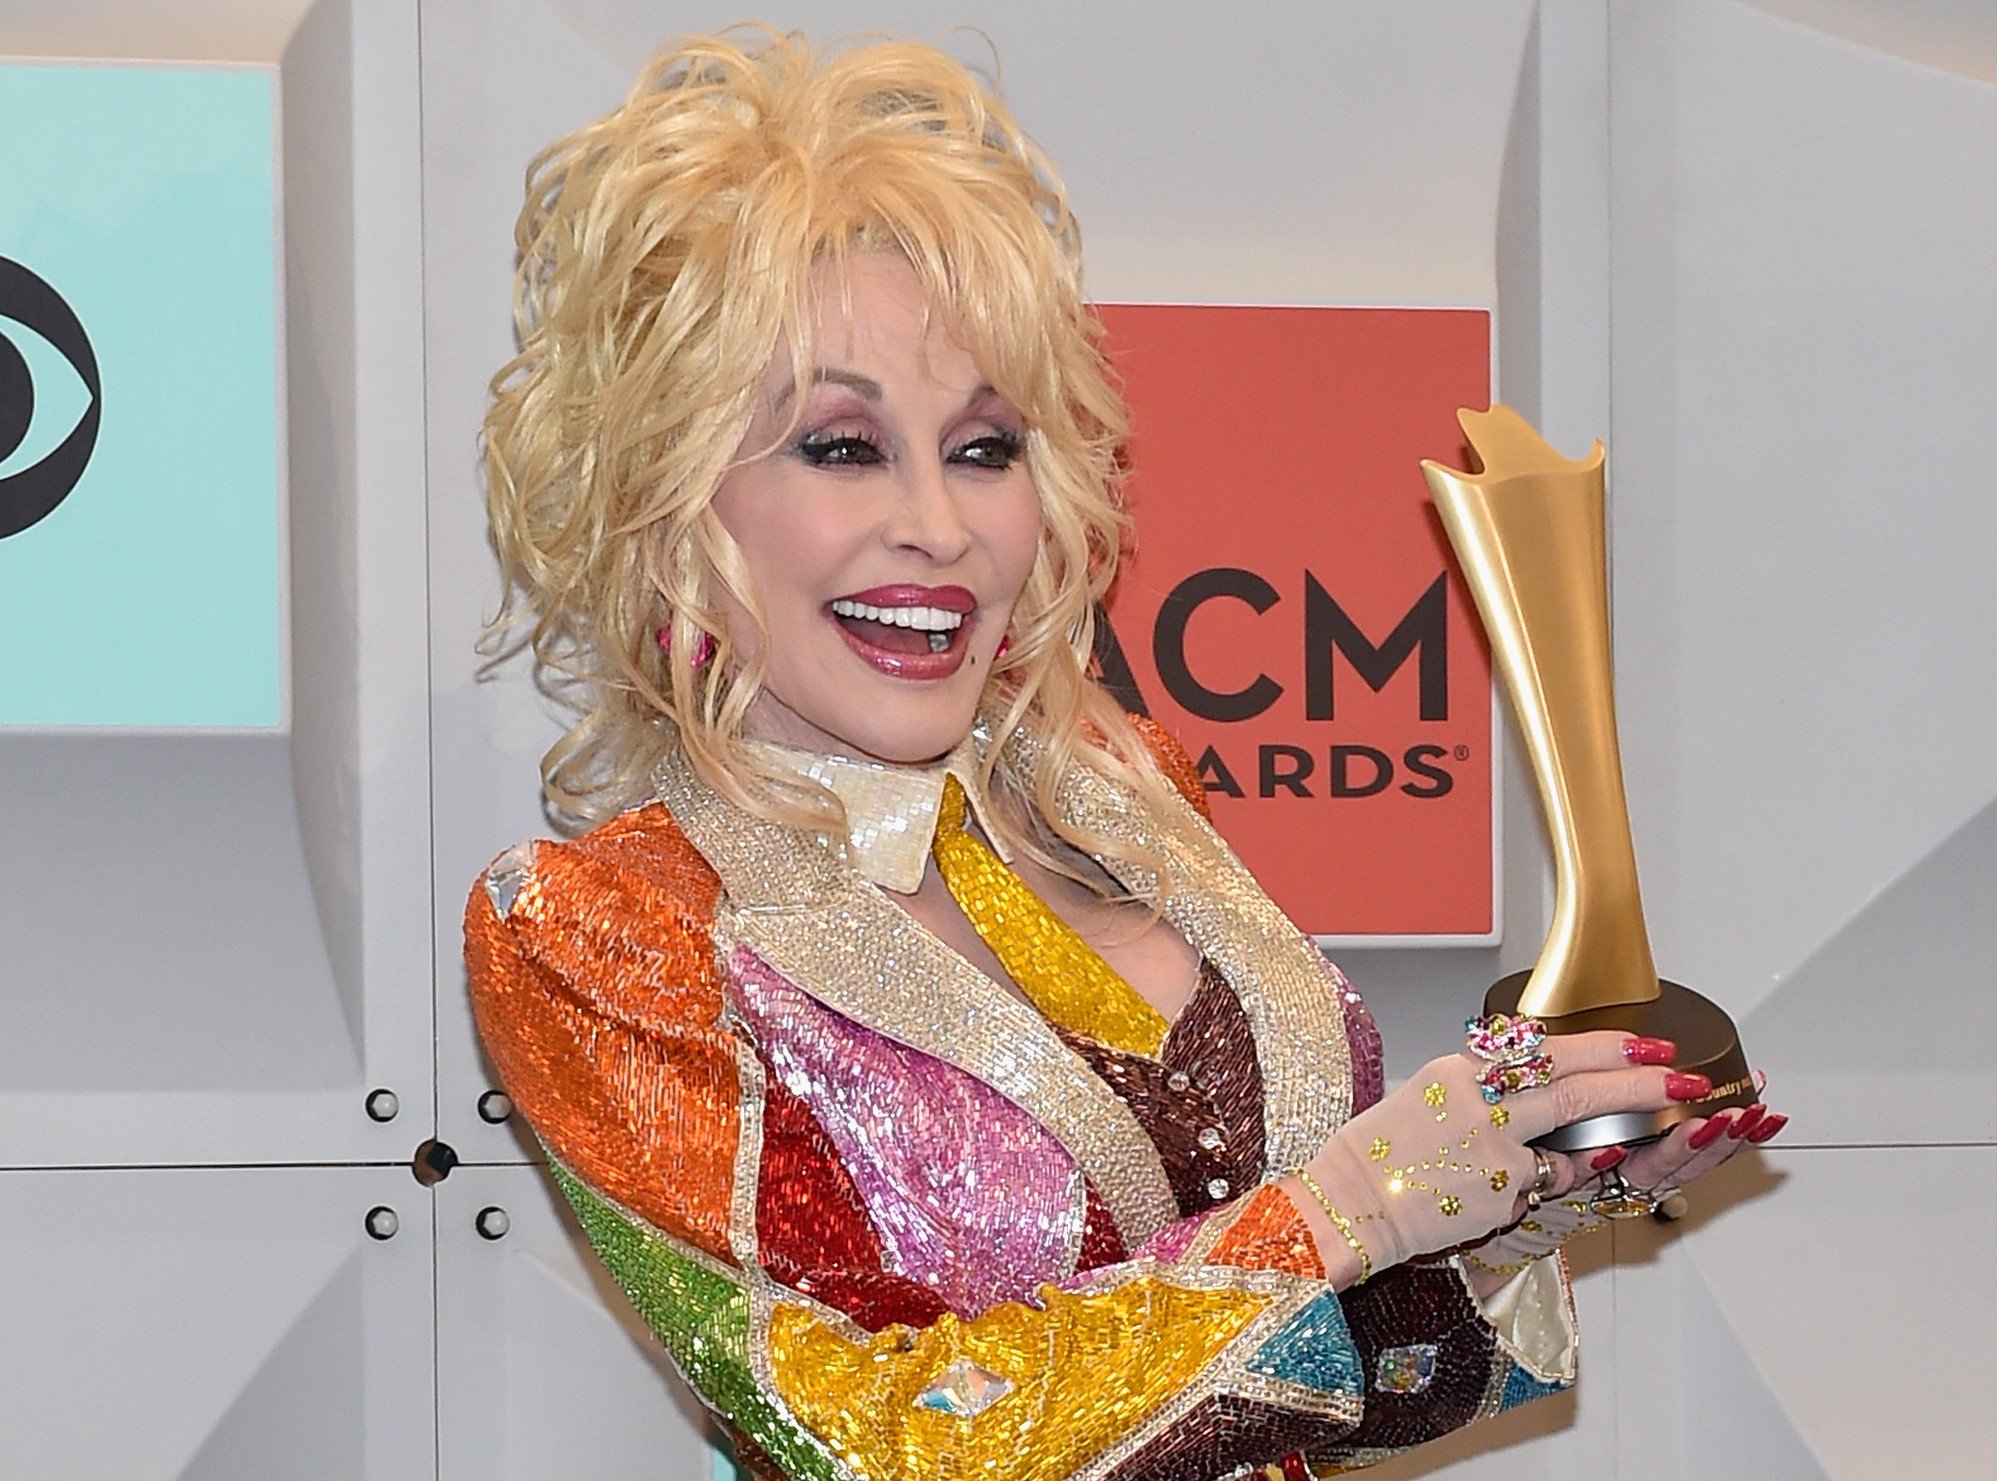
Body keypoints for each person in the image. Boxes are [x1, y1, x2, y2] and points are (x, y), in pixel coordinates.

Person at [465, 30, 1782, 1479]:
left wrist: (1517, 1199)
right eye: (841, 447)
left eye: (982, 447)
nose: (943, 527)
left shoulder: (1123, 790)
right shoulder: (599, 930)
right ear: (668, 512)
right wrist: (1349, 1203)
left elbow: (1305, 1386)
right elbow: (856, 1441)